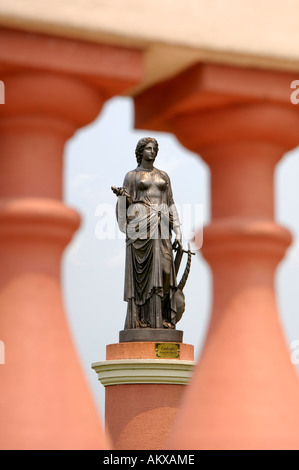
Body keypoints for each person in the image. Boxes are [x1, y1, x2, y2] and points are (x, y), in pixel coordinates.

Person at [112, 137, 182, 329]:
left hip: (162, 227)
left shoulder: (164, 176)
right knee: (142, 277)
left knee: (166, 271)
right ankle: (142, 320)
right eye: (148, 148)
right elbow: (125, 204)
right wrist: (121, 198)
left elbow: (170, 203)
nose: (152, 152)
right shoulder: (132, 176)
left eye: (154, 149)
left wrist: (178, 230)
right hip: (140, 228)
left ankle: (164, 316)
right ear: (140, 151)